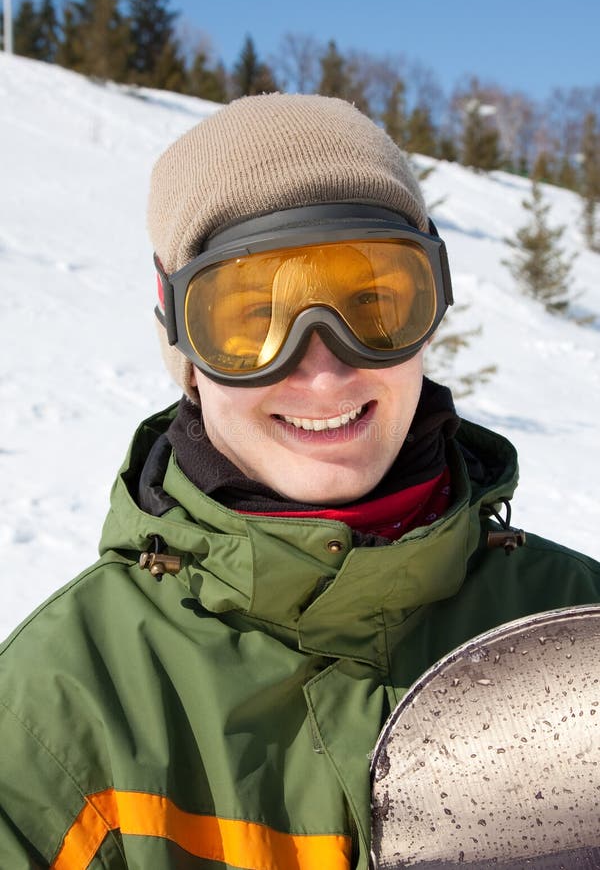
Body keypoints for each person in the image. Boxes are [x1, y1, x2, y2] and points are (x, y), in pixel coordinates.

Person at [1, 93, 599, 870]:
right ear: (182, 340)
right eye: (252, 321)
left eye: (376, 303)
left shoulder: (571, 635)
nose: (324, 371)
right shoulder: (66, 707)